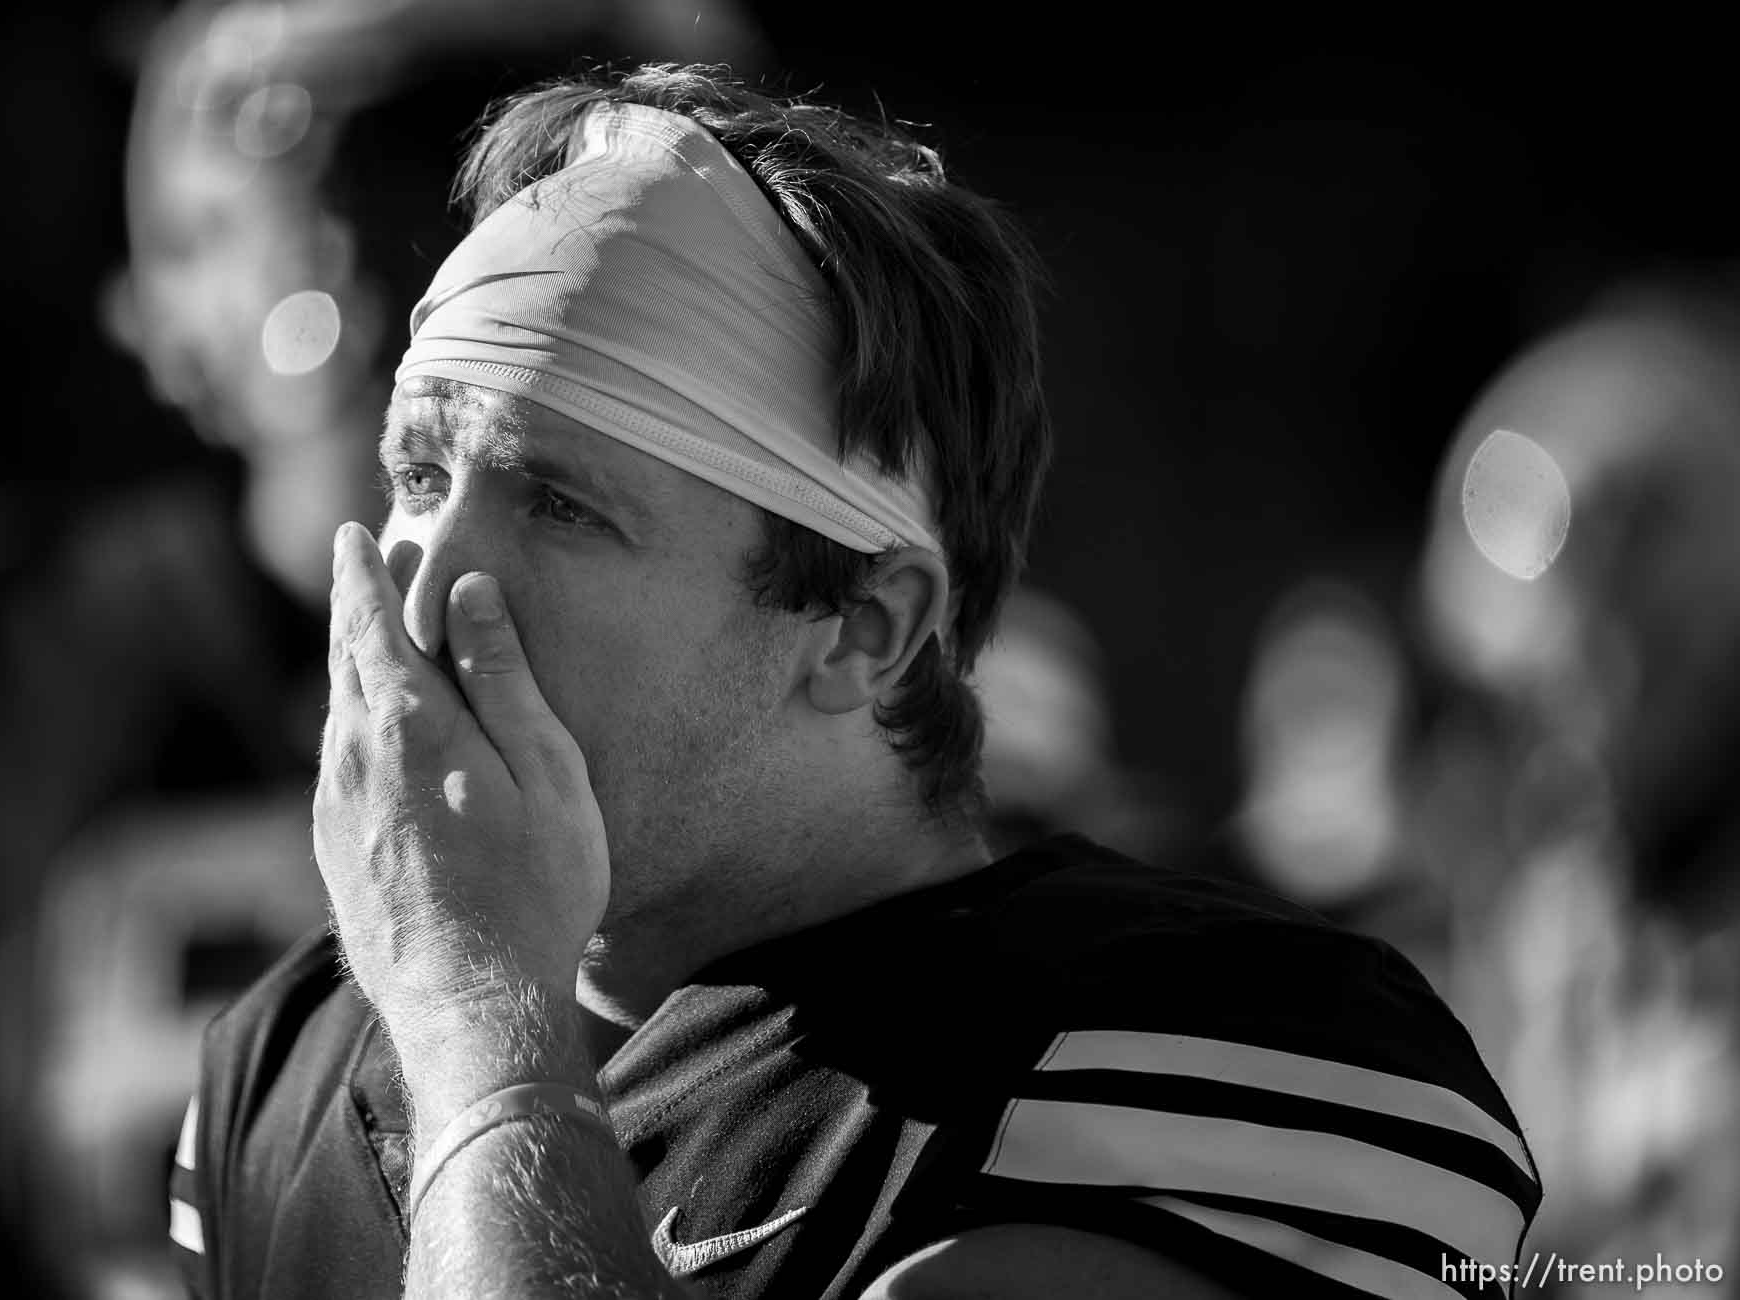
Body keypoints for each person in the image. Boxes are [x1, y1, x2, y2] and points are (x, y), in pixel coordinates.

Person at [169, 64, 1541, 1299]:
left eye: (561, 507)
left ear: (863, 628)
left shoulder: (1214, 1055)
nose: (420, 584)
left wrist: (483, 1034)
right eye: (418, 473)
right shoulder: (281, 1061)